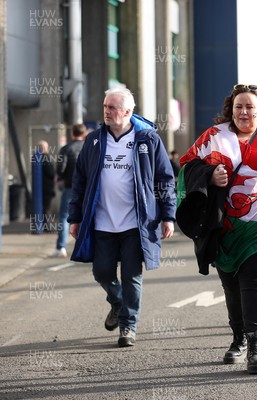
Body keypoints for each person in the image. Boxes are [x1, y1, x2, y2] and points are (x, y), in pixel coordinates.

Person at [178, 83, 257, 374]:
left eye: (250, 106)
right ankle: (238, 338)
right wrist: (209, 174)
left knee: (256, 282)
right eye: (238, 106)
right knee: (231, 284)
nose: (244, 111)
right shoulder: (214, 136)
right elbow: (186, 167)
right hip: (223, 226)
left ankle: (255, 346)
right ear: (231, 108)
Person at [68, 87, 176, 347]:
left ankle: (128, 326)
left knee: (132, 275)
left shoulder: (147, 140)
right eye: (105, 106)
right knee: (102, 272)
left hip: (136, 224)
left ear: (128, 112)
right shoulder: (93, 141)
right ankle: (118, 302)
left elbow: (165, 179)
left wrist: (167, 215)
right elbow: (79, 180)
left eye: (113, 107)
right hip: (102, 222)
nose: (107, 111)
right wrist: (75, 217)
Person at [52, 124, 87, 258]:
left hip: (70, 186)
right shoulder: (88, 148)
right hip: (86, 187)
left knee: (64, 217)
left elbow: (61, 168)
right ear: (84, 134)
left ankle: (61, 247)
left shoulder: (66, 149)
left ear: (72, 134)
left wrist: (60, 177)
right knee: (86, 216)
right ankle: (85, 246)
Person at [36, 140, 56, 231]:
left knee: (44, 208)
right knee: (46, 208)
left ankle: (44, 226)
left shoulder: (37, 158)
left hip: (42, 187)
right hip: (47, 187)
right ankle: (46, 227)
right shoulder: (45, 158)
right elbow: (51, 172)